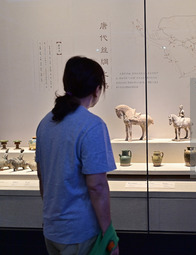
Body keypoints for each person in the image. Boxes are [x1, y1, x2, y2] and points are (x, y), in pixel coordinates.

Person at [36, 56, 119, 255]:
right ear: (97, 90)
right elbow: (97, 186)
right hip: (80, 234)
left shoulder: (45, 123)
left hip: (52, 230)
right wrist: (109, 235)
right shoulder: (92, 125)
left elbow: (42, 177)